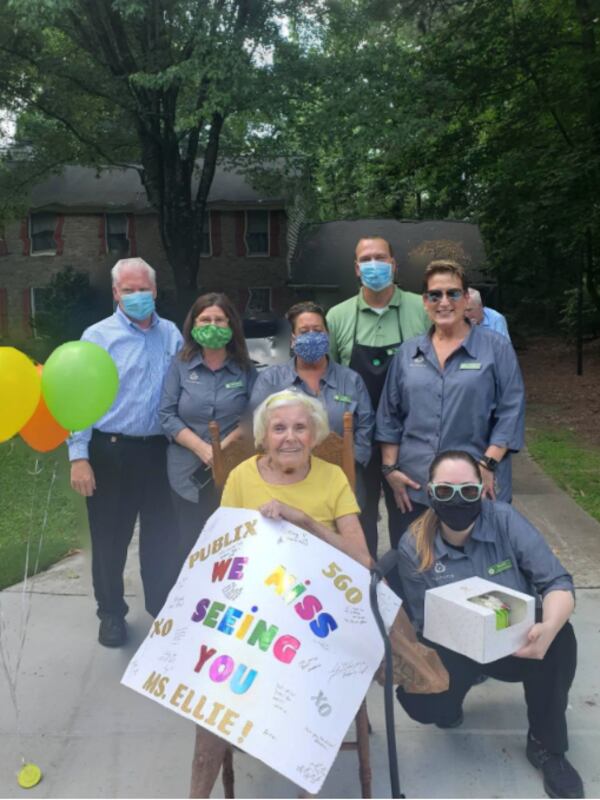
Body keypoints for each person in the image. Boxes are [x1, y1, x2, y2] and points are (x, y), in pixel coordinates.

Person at [188, 388, 372, 795]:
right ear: (263, 436)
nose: (290, 437)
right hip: (254, 608)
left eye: (300, 427)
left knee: (301, 686)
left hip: (317, 616)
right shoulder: (240, 478)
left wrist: (304, 521)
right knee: (213, 694)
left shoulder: (332, 477)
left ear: (315, 435)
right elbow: (221, 553)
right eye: (279, 428)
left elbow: (363, 561)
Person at [396, 450, 583, 800]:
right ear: (430, 492)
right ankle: (450, 705)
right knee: (421, 703)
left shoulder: (506, 521)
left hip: (517, 638)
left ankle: (548, 745)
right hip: (458, 644)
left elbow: (557, 582)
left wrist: (548, 628)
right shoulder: (414, 545)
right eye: (445, 491)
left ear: (482, 489)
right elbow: (426, 623)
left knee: (561, 639)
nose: (457, 500)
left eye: (467, 491)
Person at [68, 257, 183, 647]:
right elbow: (78, 399)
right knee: (109, 540)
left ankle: (162, 610)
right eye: (128, 290)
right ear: (116, 293)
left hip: (160, 453)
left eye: (143, 289)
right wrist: (79, 456)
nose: (137, 296)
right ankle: (112, 614)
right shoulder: (97, 337)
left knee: (162, 537)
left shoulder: (172, 335)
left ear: (155, 290)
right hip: (110, 452)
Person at [376, 259, 525, 544]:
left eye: (453, 293)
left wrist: (488, 464)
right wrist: (390, 471)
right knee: (413, 570)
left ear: (466, 298)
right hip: (416, 486)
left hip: (475, 485)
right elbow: (389, 417)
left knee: (477, 571)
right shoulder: (408, 353)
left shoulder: (496, 348)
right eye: (435, 295)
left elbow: (511, 411)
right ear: (425, 301)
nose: (444, 302)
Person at [326, 236, 430, 556]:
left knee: (410, 515)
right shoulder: (338, 316)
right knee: (358, 515)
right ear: (357, 269)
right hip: (356, 439)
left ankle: (408, 585)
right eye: (366, 259)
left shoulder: (421, 309)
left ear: (393, 264)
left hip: (409, 437)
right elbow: (328, 376)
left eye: (380, 257)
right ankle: (365, 587)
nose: (374, 264)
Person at [159, 292, 257, 577]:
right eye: (205, 319)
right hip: (185, 474)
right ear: (193, 325)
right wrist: (203, 449)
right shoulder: (179, 365)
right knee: (191, 546)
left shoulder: (245, 369)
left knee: (232, 547)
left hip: (234, 471)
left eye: (219, 319)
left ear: (230, 325)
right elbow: (166, 414)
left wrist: (222, 449)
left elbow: (256, 417)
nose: (212, 325)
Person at [249, 301, 374, 513]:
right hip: (286, 485)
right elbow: (259, 430)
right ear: (292, 338)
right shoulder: (271, 380)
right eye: (304, 331)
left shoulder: (351, 380)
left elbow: (366, 429)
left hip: (343, 482)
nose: (312, 336)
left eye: (318, 330)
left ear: (327, 335)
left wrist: (348, 464)